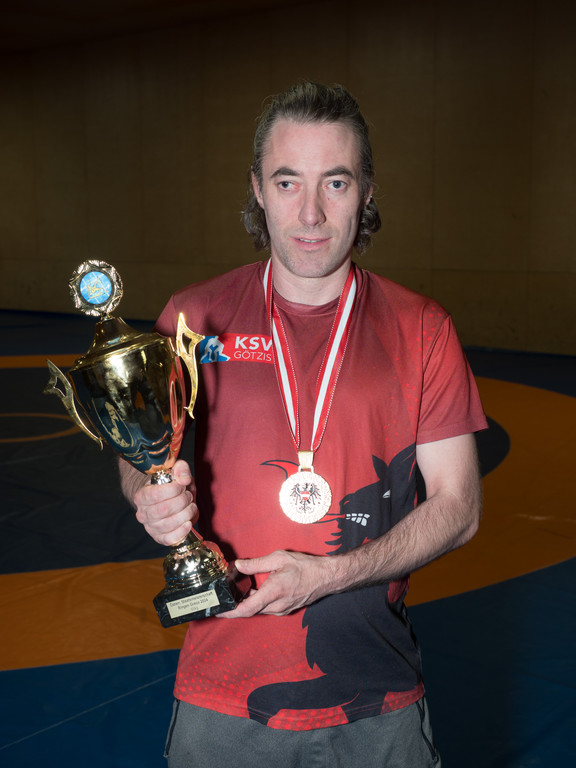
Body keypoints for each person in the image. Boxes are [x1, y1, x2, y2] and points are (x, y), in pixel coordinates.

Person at [120, 81, 487, 767]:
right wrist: (148, 492)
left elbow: (459, 506)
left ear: (367, 192)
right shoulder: (193, 319)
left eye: (336, 183)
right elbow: (139, 448)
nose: (311, 212)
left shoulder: (422, 329)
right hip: (222, 694)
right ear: (257, 189)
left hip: (377, 696)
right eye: (288, 182)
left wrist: (331, 575)